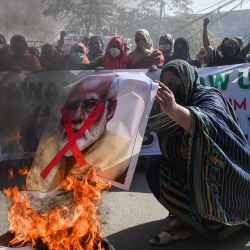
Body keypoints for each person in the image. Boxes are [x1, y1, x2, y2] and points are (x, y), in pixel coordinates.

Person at [146, 59, 250, 245]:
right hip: (192, 175)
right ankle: (188, 217)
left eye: (173, 84)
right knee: (155, 168)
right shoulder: (166, 103)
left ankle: (224, 221)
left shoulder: (209, 97)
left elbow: (208, 123)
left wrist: (175, 110)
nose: (169, 89)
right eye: (165, 84)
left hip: (225, 179)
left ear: (186, 80)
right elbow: (147, 121)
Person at [26, 75, 130, 193]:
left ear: (110, 110)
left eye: (90, 105)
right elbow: (37, 187)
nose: (76, 117)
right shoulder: (50, 146)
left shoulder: (117, 148)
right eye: (72, 106)